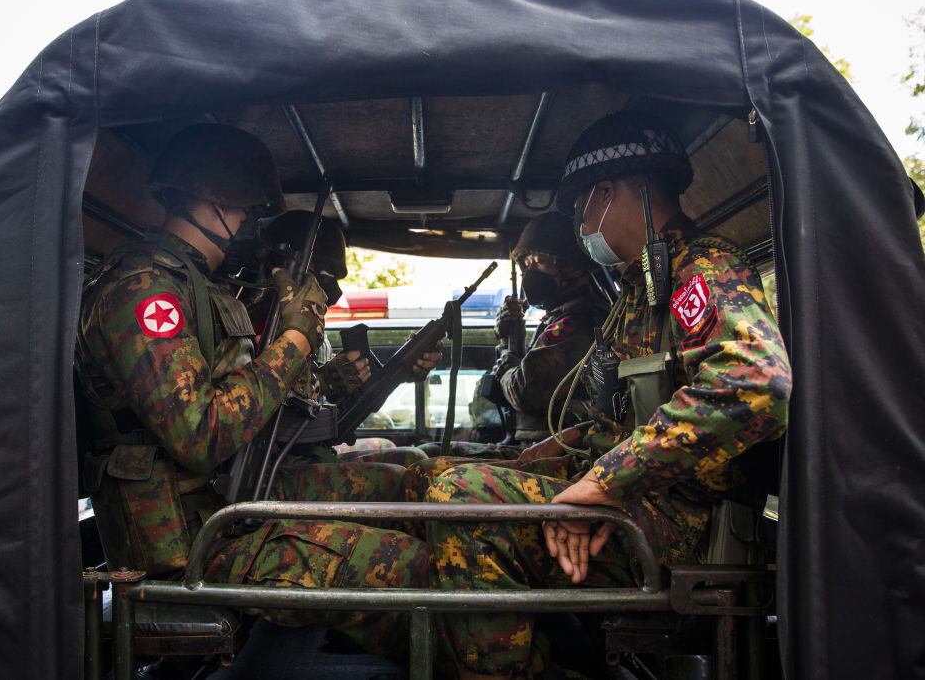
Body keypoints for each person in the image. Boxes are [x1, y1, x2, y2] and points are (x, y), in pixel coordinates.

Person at [426, 110, 793, 679]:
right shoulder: (643, 287)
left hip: (697, 531)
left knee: (463, 497)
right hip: (650, 508)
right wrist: (561, 459)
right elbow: (625, 419)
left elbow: (754, 382)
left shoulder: (703, 269)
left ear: (605, 192)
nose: (580, 223)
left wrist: (603, 482)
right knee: (451, 479)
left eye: (580, 207)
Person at [76, 124, 427, 658]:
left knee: (403, 490)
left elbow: (247, 407)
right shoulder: (144, 288)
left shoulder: (198, 286)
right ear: (211, 199)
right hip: (188, 544)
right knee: (415, 568)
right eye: (245, 211)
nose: (249, 226)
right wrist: (291, 340)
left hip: (232, 504)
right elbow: (199, 433)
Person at [404, 212, 609, 503]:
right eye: (525, 264)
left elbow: (524, 391)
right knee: (431, 454)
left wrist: (509, 347)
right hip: (536, 446)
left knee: (427, 472)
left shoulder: (578, 323)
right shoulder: (559, 319)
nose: (529, 272)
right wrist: (513, 338)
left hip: (561, 455)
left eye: (538, 261)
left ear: (572, 266)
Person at [258, 209, 442, 467]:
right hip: (271, 468)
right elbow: (258, 411)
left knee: (413, 457)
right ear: (289, 267)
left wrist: (401, 372)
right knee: (403, 474)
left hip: (307, 456)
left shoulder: (313, 336)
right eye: (326, 276)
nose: (333, 291)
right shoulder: (261, 329)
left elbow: (343, 414)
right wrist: (323, 381)